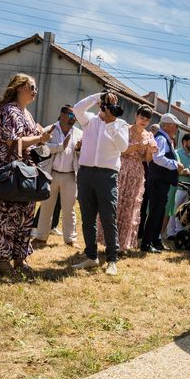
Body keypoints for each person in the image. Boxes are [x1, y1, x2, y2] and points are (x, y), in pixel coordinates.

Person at [0, 73, 52, 273]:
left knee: (24, 213)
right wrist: (40, 138)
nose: (34, 91)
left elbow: (27, 141)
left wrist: (42, 138)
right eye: (31, 87)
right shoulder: (9, 111)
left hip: (24, 167)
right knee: (3, 214)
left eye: (35, 88)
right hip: (6, 167)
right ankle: (2, 259)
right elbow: (11, 141)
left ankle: (19, 258)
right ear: (18, 88)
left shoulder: (27, 114)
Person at [72, 91, 129, 276]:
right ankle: (91, 257)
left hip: (108, 175)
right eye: (108, 102)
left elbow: (123, 147)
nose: (112, 106)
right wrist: (98, 96)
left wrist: (111, 123)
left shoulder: (120, 124)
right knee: (88, 218)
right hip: (86, 173)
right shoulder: (89, 120)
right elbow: (77, 108)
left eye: (114, 103)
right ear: (100, 105)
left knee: (108, 218)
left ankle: (112, 260)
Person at [98, 105, 157, 253]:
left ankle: (122, 244)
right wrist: (139, 145)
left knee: (129, 208)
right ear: (136, 116)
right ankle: (108, 241)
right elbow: (122, 149)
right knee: (116, 204)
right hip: (122, 169)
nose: (144, 120)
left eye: (147, 118)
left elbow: (147, 159)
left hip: (137, 173)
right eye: (142, 117)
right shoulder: (126, 129)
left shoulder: (149, 135)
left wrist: (150, 150)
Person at [32, 105, 82, 246]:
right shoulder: (50, 129)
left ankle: (70, 239)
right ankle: (41, 237)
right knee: (46, 206)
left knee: (69, 209)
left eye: (75, 117)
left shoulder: (79, 133)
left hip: (70, 175)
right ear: (62, 114)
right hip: (51, 173)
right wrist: (60, 146)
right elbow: (41, 150)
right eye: (71, 116)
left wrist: (78, 150)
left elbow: (81, 155)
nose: (74, 119)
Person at [141, 113, 184, 253]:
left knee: (158, 212)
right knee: (155, 213)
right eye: (175, 126)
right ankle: (146, 244)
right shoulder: (161, 138)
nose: (176, 128)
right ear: (168, 125)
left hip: (161, 181)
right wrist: (175, 164)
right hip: (158, 181)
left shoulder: (164, 138)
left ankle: (154, 241)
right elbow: (157, 158)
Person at [165, 133, 190, 239]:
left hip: (189, 189)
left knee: (182, 212)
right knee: (173, 211)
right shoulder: (177, 153)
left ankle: (179, 232)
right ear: (184, 142)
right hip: (178, 187)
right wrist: (188, 173)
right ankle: (170, 233)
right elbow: (177, 171)